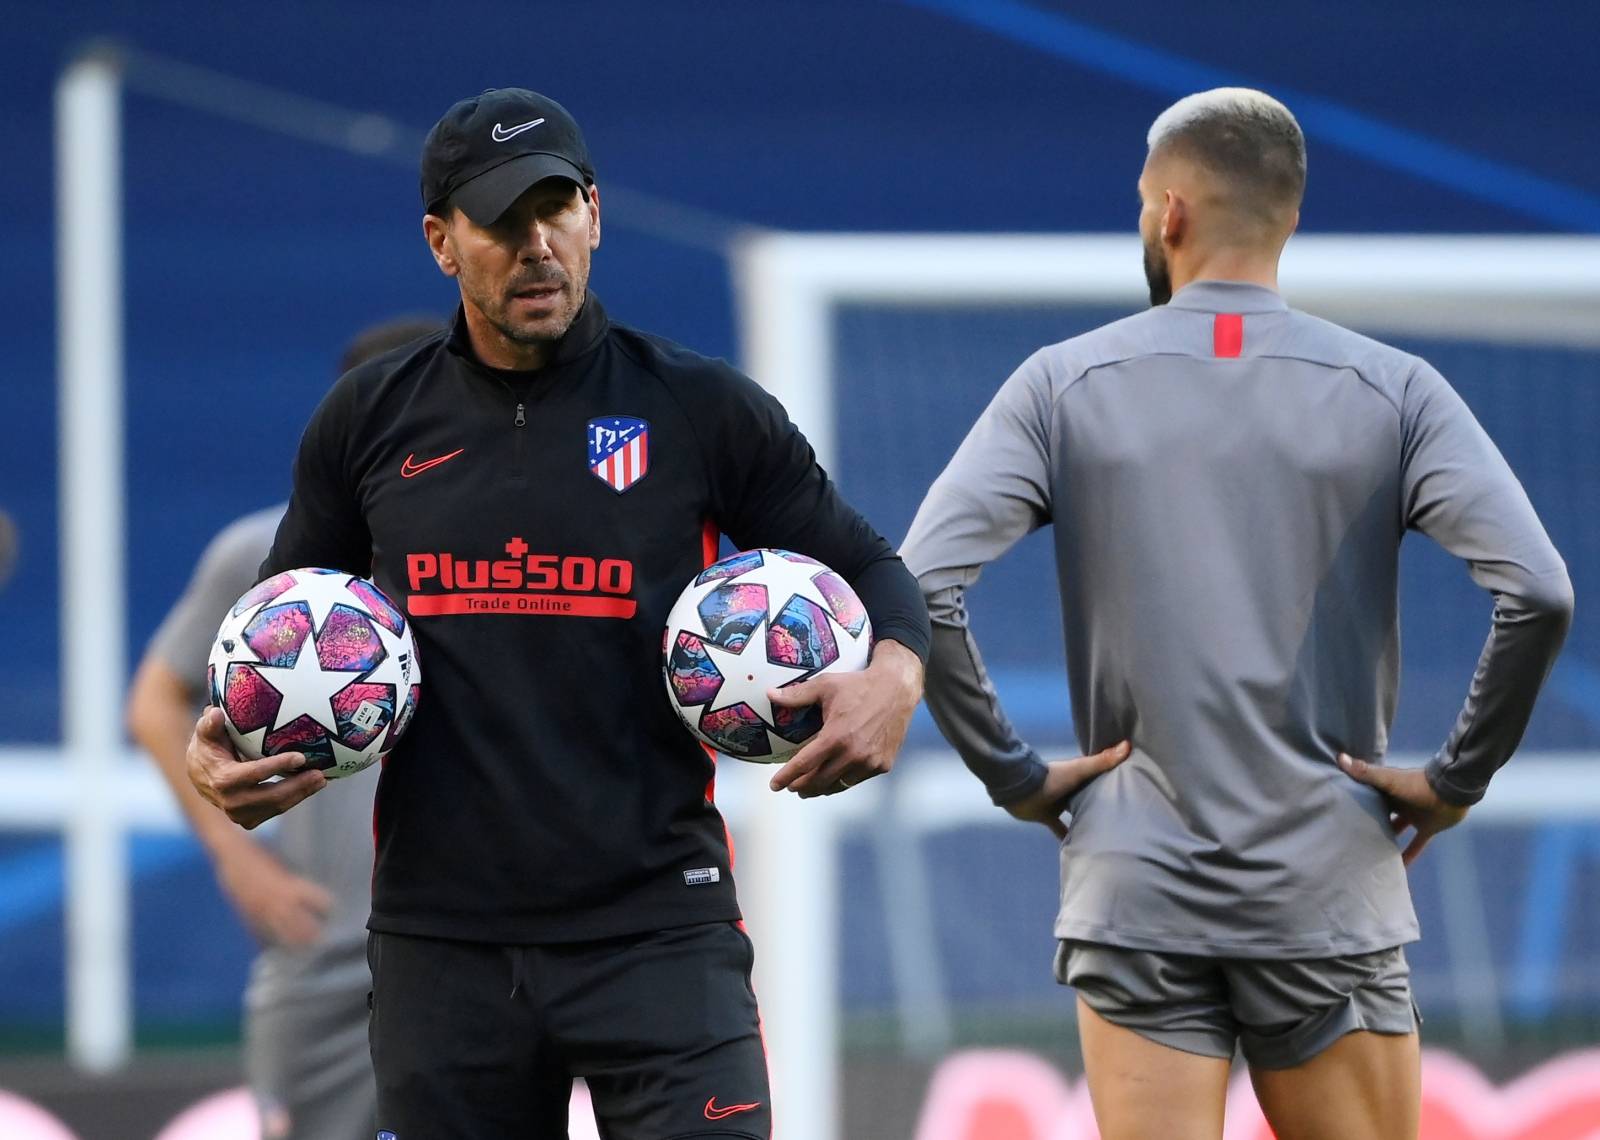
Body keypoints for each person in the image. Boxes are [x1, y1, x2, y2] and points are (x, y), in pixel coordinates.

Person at [183, 87, 929, 1140]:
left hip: (659, 933)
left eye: (557, 209)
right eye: (500, 220)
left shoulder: (700, 407)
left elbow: (867, 563)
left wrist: (895, 673)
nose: (536, 245)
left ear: (593, 214)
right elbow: (275, 639)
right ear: (443, 242)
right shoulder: (369, 418)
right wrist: (224, 755)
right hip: (442, 948)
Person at [900, 88, 1572, 1140]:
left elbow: (920, 584)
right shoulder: (1396, 391)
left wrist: (1015, 776)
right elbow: (1536, 593)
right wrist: (1453, 780)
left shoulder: (1059, 385)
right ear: (1289, 216)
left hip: (1136, 885)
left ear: (1168, 213)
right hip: (1323, 882)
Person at [127, 318, 441, 1140]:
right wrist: (239, 862)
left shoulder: (498, 563)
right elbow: (154, 702)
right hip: (326, 965)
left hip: (477, 952)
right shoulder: (265, 557)